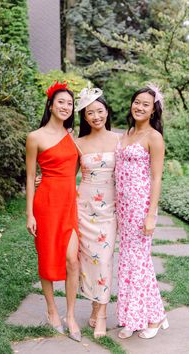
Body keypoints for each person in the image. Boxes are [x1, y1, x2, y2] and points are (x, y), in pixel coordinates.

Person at [26, 81, 81, 342]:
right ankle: (51, 310)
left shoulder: (72, 135)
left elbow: (77, 166)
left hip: (69, 203)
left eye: (70, 103)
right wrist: (29, 214)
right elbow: (29, 178)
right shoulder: (35, 137)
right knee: (47, 258)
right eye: (61, 102)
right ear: (51, 104)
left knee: (72, 260)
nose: (66, 107)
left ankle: (71, 314)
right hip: (46, 204)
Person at [115, 84, 168, 339]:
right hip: (123, 209)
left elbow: (157, 178)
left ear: (153, 109)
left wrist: (150, 215)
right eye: (137, 101)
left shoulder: (154, 137)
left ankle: (150, 318)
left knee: (138, 262)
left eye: (146, 104)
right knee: (129, 262)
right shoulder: (126, 133)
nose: (139, 107)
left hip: (141, 208)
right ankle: (139, 316)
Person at [74, 86, 119, 338]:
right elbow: (67, 176)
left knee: (103, 259)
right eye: (90, 113)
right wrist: (42, 180)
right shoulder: (77, 143)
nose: (96, 116)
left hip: (110, 210)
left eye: (100, 111)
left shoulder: (119, 139)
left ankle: (102, 314)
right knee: (88, 261)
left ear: (106, 112)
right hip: (84, 208)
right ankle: (94, 305)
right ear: (85, 117)